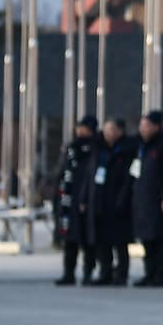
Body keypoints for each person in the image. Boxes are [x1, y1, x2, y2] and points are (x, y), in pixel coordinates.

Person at [83, 118, 134, 285]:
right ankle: (105, 271)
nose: (107, 133)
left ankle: (121, 274)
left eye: (111, 129)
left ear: (120, 131)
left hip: (119, 201)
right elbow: (89, 176)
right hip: (100, 200)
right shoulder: (98, 149)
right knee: (101, 240)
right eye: (105, 129)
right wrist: (85, 198)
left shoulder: (127, 150)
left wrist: (123, 199)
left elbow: (129, 179)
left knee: (120, 241)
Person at [54, 116, 98, 286]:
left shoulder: (94, 149)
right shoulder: (72, 149)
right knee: (70, 240)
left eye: (83, 128)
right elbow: (63, 172)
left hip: (85, 198)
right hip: (69, 198)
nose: (79, 131)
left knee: (87, 240)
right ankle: (68, 272)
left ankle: (88, 272)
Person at [131, 110, 163, 287]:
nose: (143, 129)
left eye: (146, 126)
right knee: (146, 240)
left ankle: (161, 274)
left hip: (159, 199)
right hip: (142, 199)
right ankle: (149, 272)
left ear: (156, 126)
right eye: (141, 125)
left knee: (160, 240)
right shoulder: (141, 146)